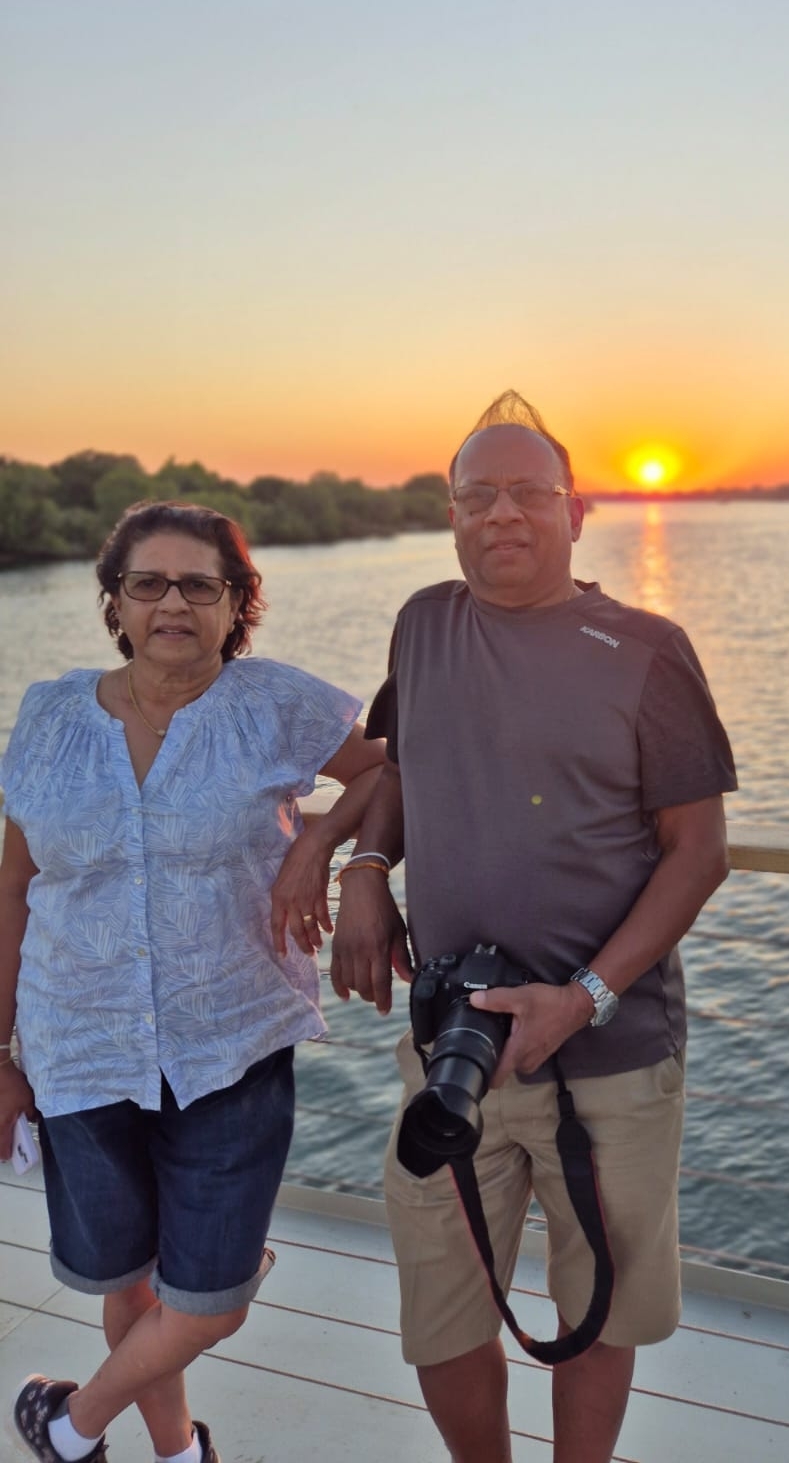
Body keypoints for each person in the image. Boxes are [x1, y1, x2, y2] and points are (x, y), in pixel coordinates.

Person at [326, 392, 736, 1463]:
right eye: (478, 494)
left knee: (597, 1306)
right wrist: (366, 864)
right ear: (452, 511)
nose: (502, 513)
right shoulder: (423, 622)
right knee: (442, 1311)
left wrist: (584, 995)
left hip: (609, 1048)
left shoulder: (646, 648)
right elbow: (403, 761)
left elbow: (698, 850)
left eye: (528, 492)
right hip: (453, 1043)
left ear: (577, 510)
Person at [0, 500, 386, 1463]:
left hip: (231, 1043)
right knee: (126, 1280)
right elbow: (14, 883)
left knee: (208, 1294)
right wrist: (2, 1053)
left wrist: (324, 848)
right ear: (116, 602)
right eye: (149, 583)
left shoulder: (275, 706)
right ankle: (177, 1454)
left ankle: (70, 1422)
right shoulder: (49, 714)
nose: (173, 603)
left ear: (236, 603)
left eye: (200, 585)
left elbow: (389, 773)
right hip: (75, 1045)